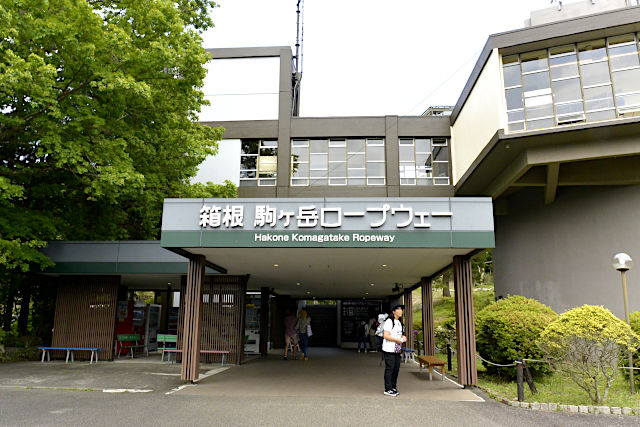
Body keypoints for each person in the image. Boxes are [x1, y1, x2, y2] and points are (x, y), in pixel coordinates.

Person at [382, 304, 406, 397]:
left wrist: (404, 337)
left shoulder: (399, 322)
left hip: (397, 349)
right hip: (389, 349)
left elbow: (402, 334)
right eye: (399, 309)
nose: (401, 311)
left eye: (401, 309)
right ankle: (387, 389)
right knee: (390, 369)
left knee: (396, 369)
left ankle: (393, 387)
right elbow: (386, 335)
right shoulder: (389, 321)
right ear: (393, 311)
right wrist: (397, 340)